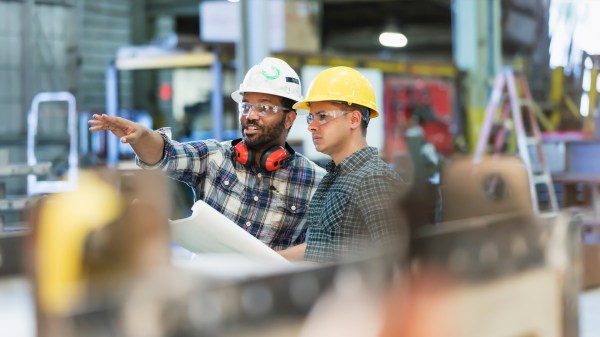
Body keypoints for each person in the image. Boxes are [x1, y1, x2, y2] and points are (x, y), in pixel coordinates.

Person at [89, 57, 326, 250]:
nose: (251, 115)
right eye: (246, 106)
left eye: (264, 107)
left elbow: (318, 251)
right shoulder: (214, 157)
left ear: (290, 118)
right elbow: (166, 154)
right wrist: (141, 136)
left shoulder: (314, 182)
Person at [279, 66, 408, 263]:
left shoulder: (374, 180)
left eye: (323, 116)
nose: (311, 126)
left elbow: (399, 259)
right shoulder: (333, 178)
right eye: (311, 117)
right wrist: (266, 258)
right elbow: (321, 247)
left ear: (354, 119)